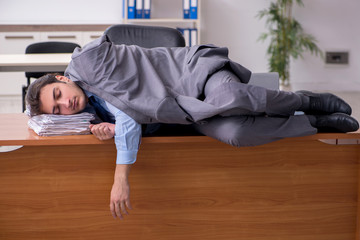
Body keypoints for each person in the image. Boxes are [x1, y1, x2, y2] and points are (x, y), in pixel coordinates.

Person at [26, 35, 359, 220]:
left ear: (62, 78)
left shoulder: (88, 61)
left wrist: (121, 176)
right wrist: (107, 129)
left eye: (58, 95)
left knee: (229, 94)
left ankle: (306, 101)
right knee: (236, 134)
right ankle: (314, 123)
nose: (64, 105)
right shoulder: (91, 115)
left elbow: (130, 112)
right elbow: (134, 119)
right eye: (56, 109)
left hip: (194, 75)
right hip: (185, 115)